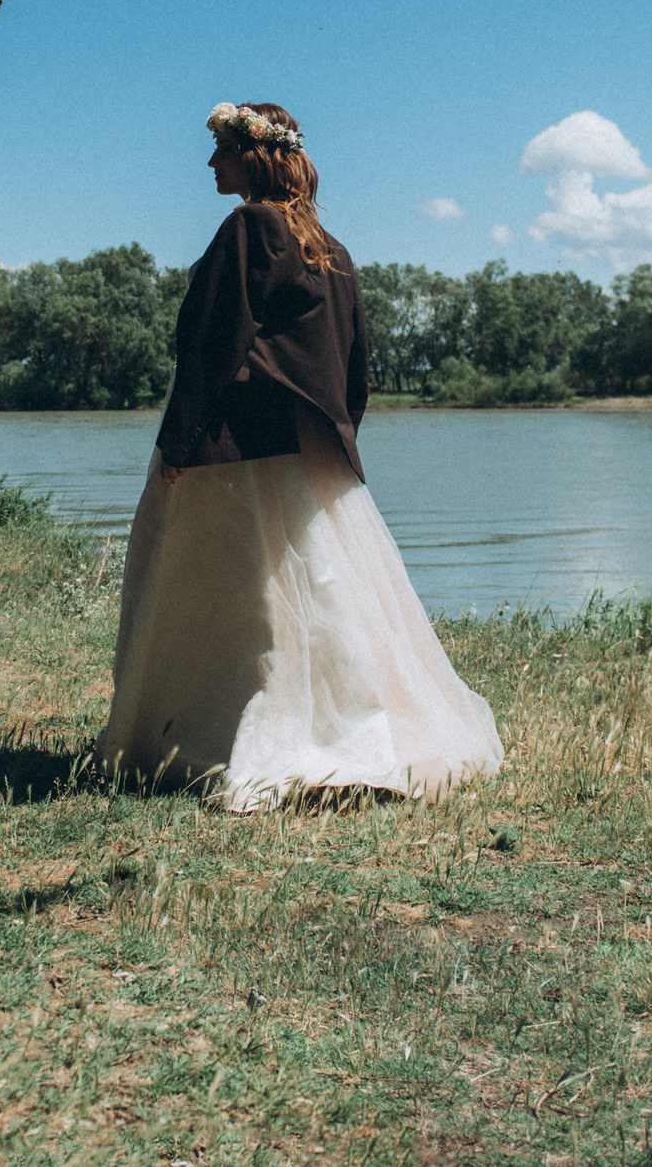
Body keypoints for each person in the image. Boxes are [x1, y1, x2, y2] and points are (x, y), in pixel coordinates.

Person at [93, 103, 502, 810]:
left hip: (239, 447)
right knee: (319, 596)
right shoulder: (332, 247)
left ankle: (233, 733)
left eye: (220, 149)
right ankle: (349, 730)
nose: (210, 164)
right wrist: (336, 441)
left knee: (238, 597)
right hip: (309, 448)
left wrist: (180, 442)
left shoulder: (248, 227)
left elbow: (212, 345)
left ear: (253, 155)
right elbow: (355, 366)